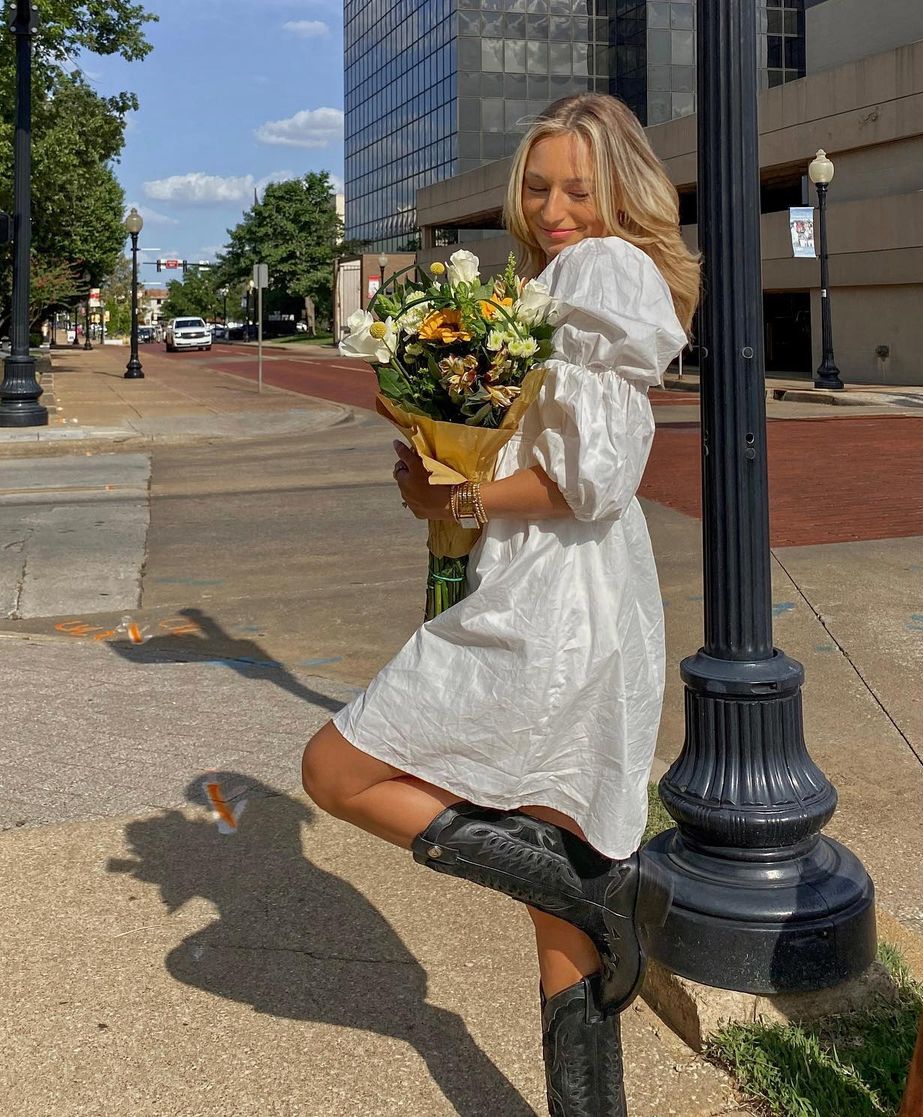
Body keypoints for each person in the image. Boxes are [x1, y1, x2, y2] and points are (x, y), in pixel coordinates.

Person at [302, 92, 701, 1116]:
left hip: (550, 607)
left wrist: (463, 498)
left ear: (621, 195)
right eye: (538, 188)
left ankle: (603, 902)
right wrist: (445, 475)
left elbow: (591, 476)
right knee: (555, 902)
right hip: (563, 592)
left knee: (337, 768)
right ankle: (596, 913)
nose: (556, 210)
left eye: (580, 189)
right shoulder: (549, 287)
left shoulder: (601, 271)